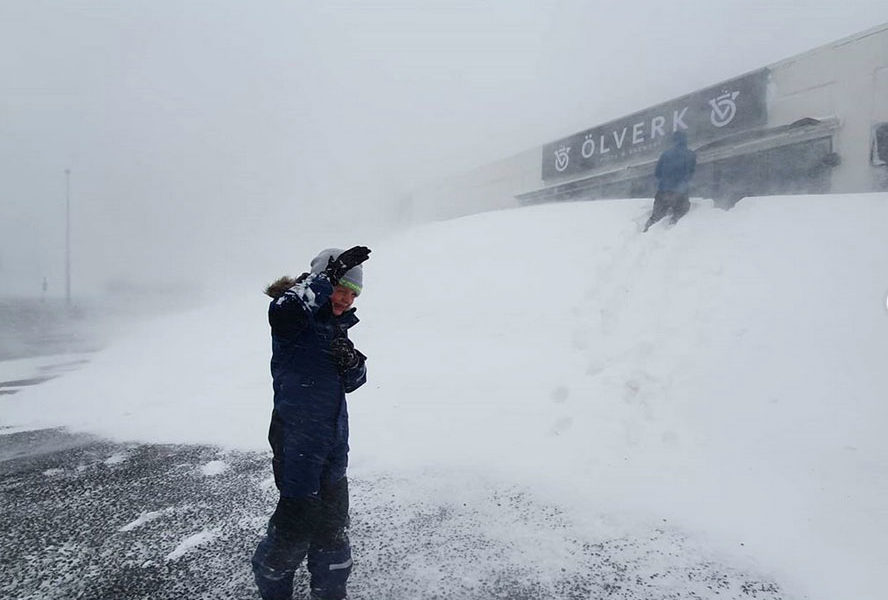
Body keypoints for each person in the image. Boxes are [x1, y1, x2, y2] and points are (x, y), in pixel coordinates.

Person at [252, 245, 371, 600]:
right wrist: (325, 277)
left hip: (333, 446)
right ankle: (274, 589)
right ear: (321, 282)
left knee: (333, 530)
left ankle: (330, 592)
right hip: (297, 446)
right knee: (293, 531)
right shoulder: (295, 323)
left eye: (353, 293)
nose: (346, 299)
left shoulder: (335, 329)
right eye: (341, 288)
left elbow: (354, 381)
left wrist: (352, 361)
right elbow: (284, 311)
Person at [643, 131, 697, 231]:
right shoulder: (690, 154)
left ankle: (644, 234)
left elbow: (657, 173)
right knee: (679, 215)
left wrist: (665, 182)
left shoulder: (665, 154)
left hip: (663, 191)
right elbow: (691, 173)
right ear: (685, 141)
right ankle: (671, 237)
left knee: (655, 217)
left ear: (673, 141)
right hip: (680, 192)